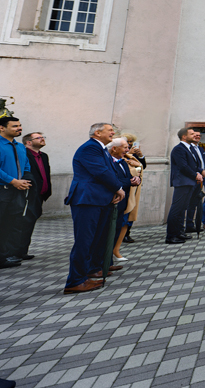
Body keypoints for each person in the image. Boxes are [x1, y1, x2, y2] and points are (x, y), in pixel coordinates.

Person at [64, 123, 132, 293]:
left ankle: (91, 270)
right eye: (110, 130)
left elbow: (110, 171)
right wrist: (118, 188)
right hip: (87, 200)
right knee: (84, 241)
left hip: (99, 199)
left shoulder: (101, 148)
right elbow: (101, 172)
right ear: (97, 132)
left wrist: (114, 190)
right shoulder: (90, 148)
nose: (113, 132)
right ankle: (75, 281)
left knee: (95, 239)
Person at [0, 117, 31, 269]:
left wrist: (24, 181)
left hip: (17, 192)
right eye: (14, 126)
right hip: (2, 191)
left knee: (10, 224)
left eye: (19, 125)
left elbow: (26, 166)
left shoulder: (20, 146)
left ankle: (3, 257)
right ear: (2, 128)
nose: (19, 128)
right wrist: (13, 181)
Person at [166, 128, 205, 244]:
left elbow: (193, 165)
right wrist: (195, 175)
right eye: (191, 134)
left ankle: (179, 232)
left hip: (189, 182)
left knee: (182, 209)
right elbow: (183, 166)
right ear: (184, 136)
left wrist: (198, 173)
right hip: (182, 182)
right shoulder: (179, 149)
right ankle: (171, 236)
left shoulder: (189, 148)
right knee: (176, 209)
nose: (194, 135)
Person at [19, 132, 50, 261]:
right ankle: (17, 252)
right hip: (28, 195)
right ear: (29, 142)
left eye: (42, 137)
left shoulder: (44, 156)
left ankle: (23, 251)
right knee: (23, 223)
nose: (42, 139)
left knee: (30, 223)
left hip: (40, 195)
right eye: (38, 138)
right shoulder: (24, 154)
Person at [107, 138, 135, 263]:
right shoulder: (108, 161)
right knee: (108, 232)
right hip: (112, 200)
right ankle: (105, 262)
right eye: (125, 147)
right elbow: (112, 180)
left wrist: (135, 180)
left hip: (123, 201)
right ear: (114, 148)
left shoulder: (122, 162)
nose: (127, 150)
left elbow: (128, 177)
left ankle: (109, 261)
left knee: (117, 230)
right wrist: (129, 182)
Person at [119, 134, 144, 244]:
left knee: (132, 210)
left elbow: (142, 166)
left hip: (135, 187)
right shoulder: (121, 157)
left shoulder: (132, 156)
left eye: (131, 142)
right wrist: (129, 154)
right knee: (126, 211)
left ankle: (126, 233)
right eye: (127, 143)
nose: (129, 145)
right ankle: (120, 236)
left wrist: (140, 156)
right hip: (125, 187)